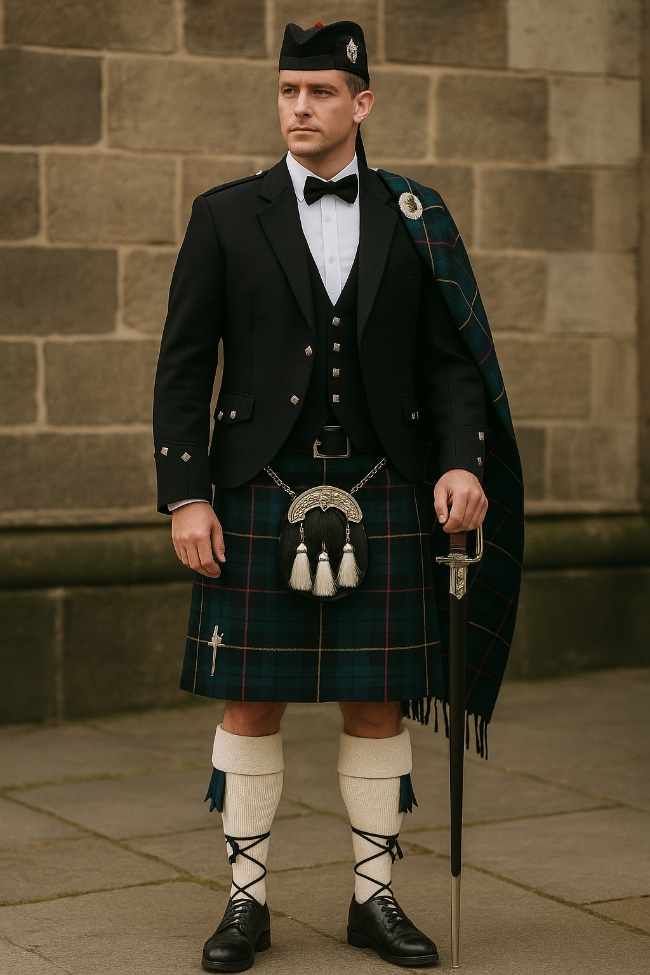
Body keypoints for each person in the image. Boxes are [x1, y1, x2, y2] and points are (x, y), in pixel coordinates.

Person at [153, 20, 511, 972]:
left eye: (320, 92)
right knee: (248, 701)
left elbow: (452, 367)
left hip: (384, 485)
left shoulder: (415, 215)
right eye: (288, 91)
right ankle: (244, 904)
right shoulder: (226, 214)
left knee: (376, 699)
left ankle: (374, 899)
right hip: (255, 493)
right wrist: (188, 496)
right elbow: (185, 367)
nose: (300, 107)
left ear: (362, 103)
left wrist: (462, 461)